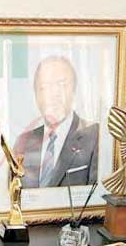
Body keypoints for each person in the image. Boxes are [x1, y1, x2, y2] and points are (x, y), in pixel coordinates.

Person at [13, 56, 99, 188]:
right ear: (36, 95)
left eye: (62, 85)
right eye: (44, 87)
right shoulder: (23, 143)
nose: (54, 94)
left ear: (74, 90)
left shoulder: (94, 136)